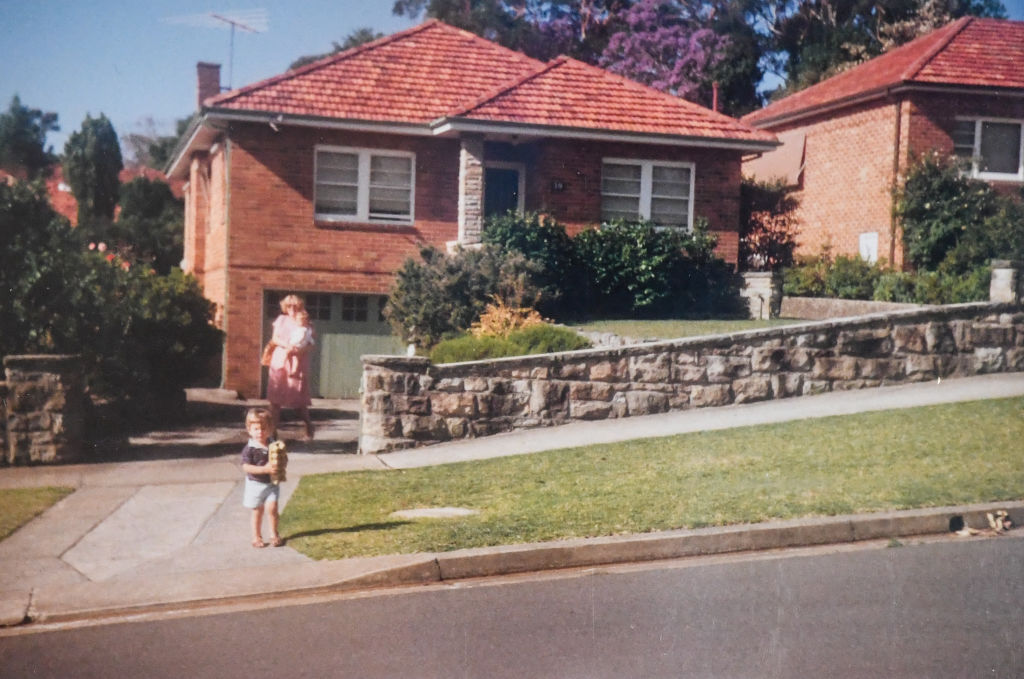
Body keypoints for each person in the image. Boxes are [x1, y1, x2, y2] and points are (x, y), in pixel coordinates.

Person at [266, 294, 314, 439]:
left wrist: (299, 350)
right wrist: (288, 346)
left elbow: (311, 344)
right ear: (284, 307)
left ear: (300, 306)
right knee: (275, 399)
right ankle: (273, 432)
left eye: (294, 306)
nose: (291, 308)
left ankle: (309, 425)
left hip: (297, 361)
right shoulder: (281, 320)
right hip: (280, 359)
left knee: (299, 400)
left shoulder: (305, 321)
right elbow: (275, 339)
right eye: (288, 306)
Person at [240, 408, 285, 548]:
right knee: (257, 511)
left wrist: (282, 464)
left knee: (272, 509)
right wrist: (263, 469)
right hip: (255, 484)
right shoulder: (250, 448)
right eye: (256, 429)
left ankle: (274, 534)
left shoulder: (273, 443)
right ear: (249, 430)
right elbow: (245, 467)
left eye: (264, 428)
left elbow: (283, 457)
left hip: (271, 483)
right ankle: (256, 536)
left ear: (270, 428)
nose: (260, 432)